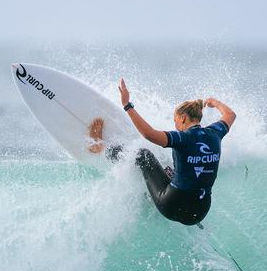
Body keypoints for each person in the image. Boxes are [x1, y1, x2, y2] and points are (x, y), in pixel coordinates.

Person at [88, 78, 235, 226]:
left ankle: (101, 149)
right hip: (199, 213)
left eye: (175, 120)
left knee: (144, 156)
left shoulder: (182, 138)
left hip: (172, 206)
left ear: (183, 118)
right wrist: (215, 103)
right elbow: (230, 115)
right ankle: (152, 196)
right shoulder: (216, 133)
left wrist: (127, 105)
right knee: (169, 171)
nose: (175, 124)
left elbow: (149, 134)